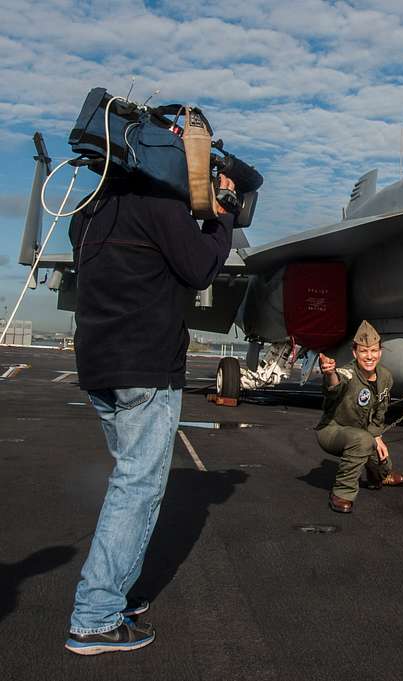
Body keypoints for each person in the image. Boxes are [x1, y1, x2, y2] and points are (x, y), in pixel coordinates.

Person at [64, 172, 236, 655]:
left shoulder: (87, 208)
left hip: (98, 365)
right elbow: (201, 268)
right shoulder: (161, 206)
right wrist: (220, 219)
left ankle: (113, 593)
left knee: (127, 482)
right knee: (136, 489)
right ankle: (95, 617)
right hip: (146, 367)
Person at [315, 320, 403, 513]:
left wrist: (377, 435)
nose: (369, 356)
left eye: (373, 351)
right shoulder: (347, 373)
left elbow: (381, 410)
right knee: (363, 440)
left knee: (382, 460)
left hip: (363, 433)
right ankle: (342, 493)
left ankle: (379, 476)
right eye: (364, 351)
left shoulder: (386, 377)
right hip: (333, 430)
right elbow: (335, 385)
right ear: (355, 353)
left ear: (380, 352)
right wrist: (330, 373)